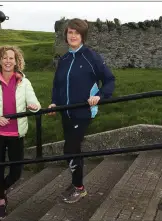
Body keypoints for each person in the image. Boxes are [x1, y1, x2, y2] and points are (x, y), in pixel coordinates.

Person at [47, 18, 116, 204]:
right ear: (66, 35)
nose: (73, 36)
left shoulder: (90, 56)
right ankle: (76, 183)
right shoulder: (64, 59)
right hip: (65, 112)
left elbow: (109, 79)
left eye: (77, 33)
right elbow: (57, 85)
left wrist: (100, 95)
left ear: (83, 36)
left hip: (83, 112)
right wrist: (54, 102)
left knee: (70, 148)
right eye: (70, 32)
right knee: (72, 149)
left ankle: (79, 188)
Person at [0, 45, 41, 220]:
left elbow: (34, 102)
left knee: (16, 172)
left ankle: (2, 188)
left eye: (11, 58)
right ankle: (1, 201)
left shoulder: (24, 82)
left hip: (16, 133)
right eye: (4, 57)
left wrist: (34, 107)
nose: (7, 61)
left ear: (17, 61)